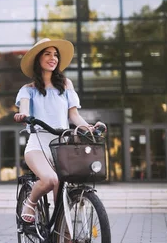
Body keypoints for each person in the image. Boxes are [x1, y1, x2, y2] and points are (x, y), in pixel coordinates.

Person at [13, 38, 105, 224]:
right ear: (37, 59)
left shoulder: (66, 85)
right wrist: (22, 116)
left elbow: (74, 116)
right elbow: (23, 109)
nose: (53, 58)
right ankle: (30, 202)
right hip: (37, 145)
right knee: (50, 180)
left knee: (61, 204)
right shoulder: (27, 90)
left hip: (62, 146)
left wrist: (89, 127)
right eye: (47, 54)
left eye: (55, 54)